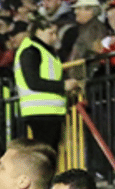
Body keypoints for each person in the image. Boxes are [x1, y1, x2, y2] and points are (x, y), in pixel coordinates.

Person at [14, 15, 73, 152]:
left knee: (47, 155)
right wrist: (63, 86)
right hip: (40, 111)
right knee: (44, 156)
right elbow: (33, 82)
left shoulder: (44, 51)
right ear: (38, 32)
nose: (55, 37)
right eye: (50, 33)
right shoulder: (31, 51)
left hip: (48, 110)